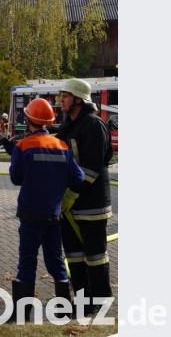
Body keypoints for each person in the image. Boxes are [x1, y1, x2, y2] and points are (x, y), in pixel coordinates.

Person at [8, 98, 84, 322]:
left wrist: (15, 155)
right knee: (56, 261)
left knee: (27, 263)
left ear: (28, 119)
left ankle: (21, 315)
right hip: (54, 215)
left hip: (30, 215)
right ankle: (64, 309)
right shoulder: (62, 146)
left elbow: (16, 178)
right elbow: (78, 178)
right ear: (49, 122)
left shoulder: (23, 146)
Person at [56, 78, 114, 315]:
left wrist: (71, 195)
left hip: (91, 203)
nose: (61, 100)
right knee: (74, 256)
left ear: (79, 99)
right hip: (70, 205)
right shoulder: (68, 124)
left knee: (95, 255)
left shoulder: (92, 125)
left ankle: (99, 301)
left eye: (66, 96)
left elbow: (92, 167)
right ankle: (82, 301)